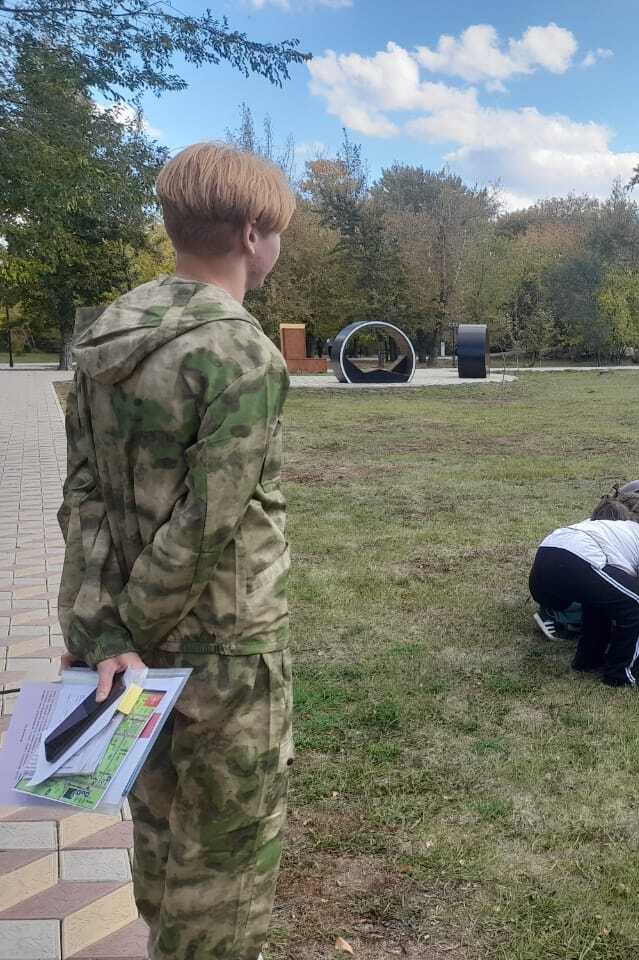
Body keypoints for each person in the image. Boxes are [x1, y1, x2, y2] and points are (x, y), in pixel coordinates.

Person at [56, 142, 295, 960]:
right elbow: (208, 523)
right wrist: (133, 623)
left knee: (158, 834)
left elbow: (82, 496)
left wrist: (102, 629)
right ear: (252, 232)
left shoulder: (104, 338)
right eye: (277, 232)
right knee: (226, 864)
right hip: (229, 649)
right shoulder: (241, 353)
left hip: (130, 655)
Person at [528, 496, 639, 687]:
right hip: (574, 557)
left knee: (603, 598)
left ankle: (588, 660)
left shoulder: (616, 528)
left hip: (546, 554)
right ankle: (621, 673)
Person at [534, 497, 633, 641]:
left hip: (539, 581)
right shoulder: (607, 538)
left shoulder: (579, 527)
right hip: (559, 592)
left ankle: (558, 611)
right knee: (609, 597)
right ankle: (558, 616)